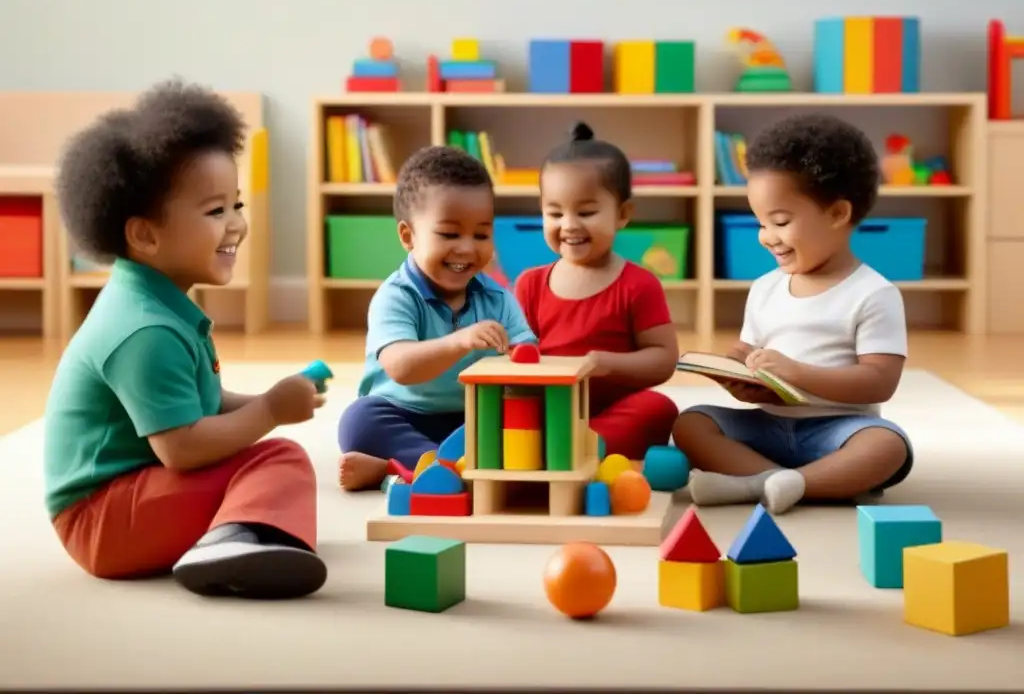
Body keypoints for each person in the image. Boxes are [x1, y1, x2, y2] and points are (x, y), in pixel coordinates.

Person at [44, 79, 328, 599]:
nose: (237, 225)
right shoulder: (145, 329)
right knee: (277, 459)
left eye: (236, 205)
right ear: (146, 235)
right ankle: (232, 542)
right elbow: (180, 447)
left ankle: (240, 534)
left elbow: (202, 406)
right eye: (215, 211)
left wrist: (273, 398)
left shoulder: (158, 302)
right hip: (102, 521)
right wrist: (267, 411)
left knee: (273, 461)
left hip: (127, 498)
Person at [672, 113, 913, 515]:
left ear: (838, 214)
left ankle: (769, 484)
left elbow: (879, 382)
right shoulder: (765, 288)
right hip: (767, 424)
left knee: (888, 447)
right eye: (760, 222)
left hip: (838, 430)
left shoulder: (874, 294)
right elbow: (749, 351)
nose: (766, 236)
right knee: (690, 424)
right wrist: (736, 373)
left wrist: (798, 373)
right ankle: (787, 484)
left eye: (780, 221)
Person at [337, 146, 537, 491]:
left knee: (530, 420)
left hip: (472, 419)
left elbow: (527, 358)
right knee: (359, 422)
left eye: (481, 234)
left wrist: (519, 368)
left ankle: (401, 470)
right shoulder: (395, 296)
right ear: (408, 236)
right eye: (449, 234)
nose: (466, 248)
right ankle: (446, 467)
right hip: (402, 412)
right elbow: (401, 367)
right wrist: (459, 341)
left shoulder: (498, 297)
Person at [514, 122, 679, 460]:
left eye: (586, 212)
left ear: (622, 214)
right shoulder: (529, 284)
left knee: (659, 408)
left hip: (612, 409)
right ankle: (566, 449)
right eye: (555, 212)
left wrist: (607, 364)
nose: (570, 225)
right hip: (549, 408)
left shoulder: (639, 284)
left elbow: (663, 360)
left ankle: (573, 450)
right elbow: (517, 355)